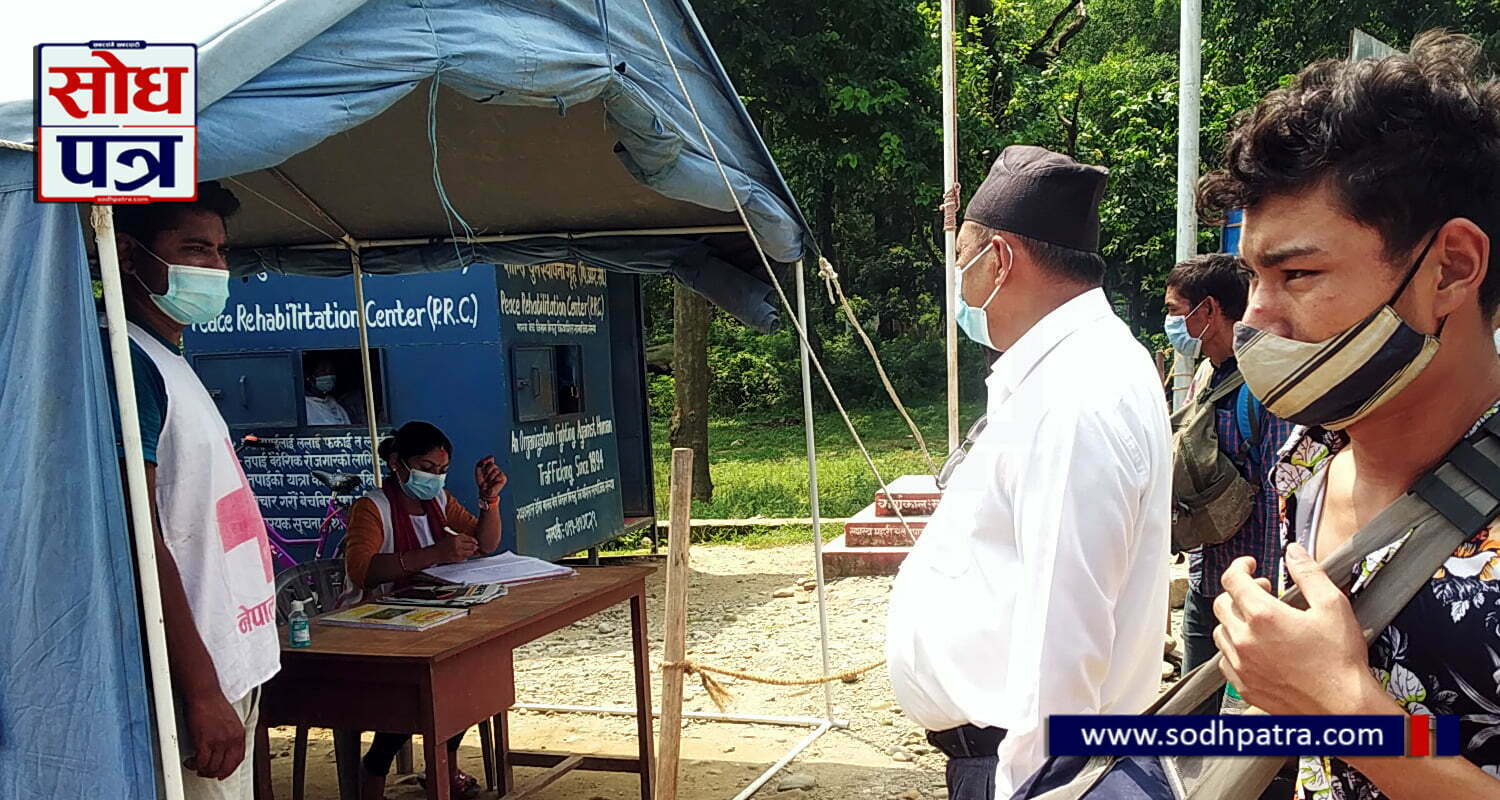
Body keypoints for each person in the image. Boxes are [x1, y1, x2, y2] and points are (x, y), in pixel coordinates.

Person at [1200, 30, 1500, 799]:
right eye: (1251, 277)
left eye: (1298, 273)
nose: (1256, 321)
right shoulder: (1304, 457)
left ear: (1452, 268)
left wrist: (1343, 709)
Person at [886, 145, 1172, 799]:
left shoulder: (1075, 397)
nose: (959, 281)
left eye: (961, 260)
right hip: (1007, 759)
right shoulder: (1065, 372)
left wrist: (1034, 786)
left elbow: (1065, 640)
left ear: (1000, 260)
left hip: (1021, 770)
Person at [104, 181, 279, 800]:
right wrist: (201, 689)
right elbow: (138, 533)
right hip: (191, 673)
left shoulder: (169, 356)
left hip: (231, 656)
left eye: (222, 252)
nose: (216, 268)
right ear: (128, 255)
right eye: (195, 250)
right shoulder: (128, 365)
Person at [339, 420, 506, 800]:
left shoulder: (438, 502)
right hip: (373, 625)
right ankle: (375, 770)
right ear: (397, 463)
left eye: (442, 471)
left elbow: (486, 542)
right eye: (427, 469)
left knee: (466, 675)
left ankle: (442, 766)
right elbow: (361, 569)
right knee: (418, 693)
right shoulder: (373, 507)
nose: (434, 478)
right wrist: (434, 554)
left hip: (425, 616)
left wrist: (489, 501)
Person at [1164, 254, 1297, 672]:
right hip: (1207, 579)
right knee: (1190, 714)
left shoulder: (1265, 387)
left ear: (1209, 310)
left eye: (1174, 311)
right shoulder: (1208, 374)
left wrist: (1278, 600)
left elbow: (1285, 495)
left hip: (1255, 591)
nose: (1169, 323)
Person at [303, 358, 353, 426]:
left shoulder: (334, 404)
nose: (328, 375)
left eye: (331, 371)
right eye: (323, 371)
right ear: (310, 377)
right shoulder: (305, 406)